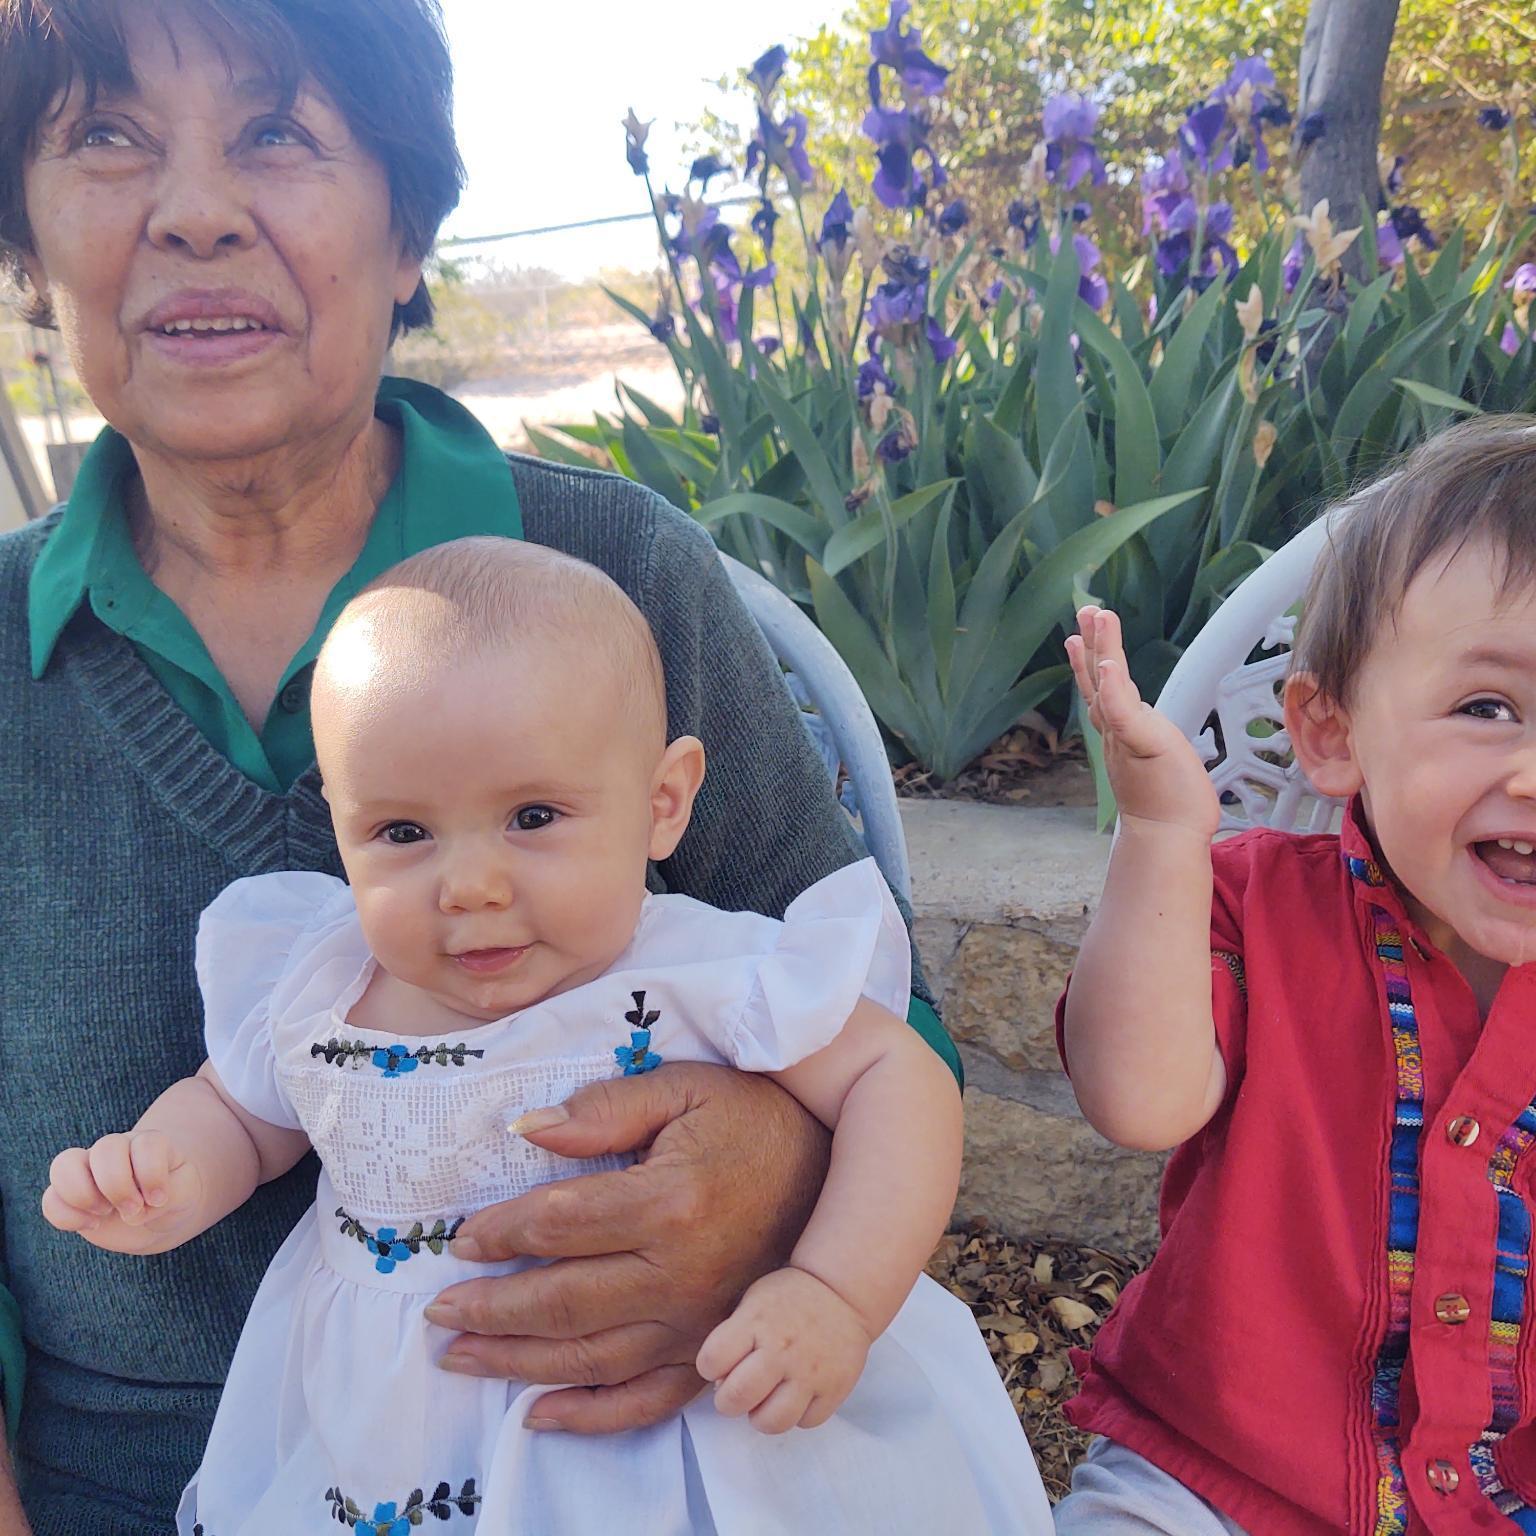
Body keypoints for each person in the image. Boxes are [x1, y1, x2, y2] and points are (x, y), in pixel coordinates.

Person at [0, 3, 963, 1531]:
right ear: (26, 246)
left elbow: (885, 1023)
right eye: (106, 136)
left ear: (405, 230)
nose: (192, 212)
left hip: (642, 1464)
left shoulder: (613, 571)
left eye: (276, 132)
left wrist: (763, 1192)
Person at [41, 539, 1050, 1536]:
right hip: (392, 1438)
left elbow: (893, 1075)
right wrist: (169, 1171)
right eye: (401, 834)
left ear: (662, 804)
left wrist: (834, 1289)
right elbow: (244, 1113)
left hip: (669, 1439)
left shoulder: (696, 972)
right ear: (340, 828)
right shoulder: (319, 976)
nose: (470, 883)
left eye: (532, 815)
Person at [1050, 416, 1536, 1535]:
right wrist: (1164, 835)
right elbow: (1137, 1099)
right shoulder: (1257, 910)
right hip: (1222, 1479)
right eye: (1487, 707)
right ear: (1332, 733)